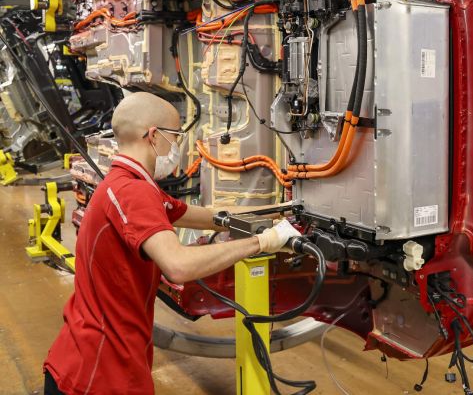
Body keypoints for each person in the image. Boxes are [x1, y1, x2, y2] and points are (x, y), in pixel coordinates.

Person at [43, 92, 300, 395]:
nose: (177, 146)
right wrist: (263, 242)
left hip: (90, 356)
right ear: (153, 136)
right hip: (100, 372)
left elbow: (209, 216)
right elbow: (177, 266)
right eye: (176, 137)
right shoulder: (132, 193)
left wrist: (283, 210)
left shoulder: (130, 185)